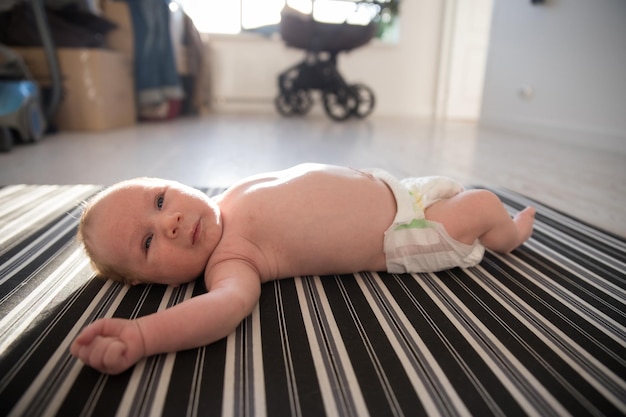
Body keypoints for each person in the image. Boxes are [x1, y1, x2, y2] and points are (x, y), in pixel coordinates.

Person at [70, 163, 535, 374]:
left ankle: (493, 222)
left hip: (399, 189)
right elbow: (224, 308)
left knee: (464, 194)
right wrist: (143, 335)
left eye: (159, 199)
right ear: (154, 280)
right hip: (406, 228)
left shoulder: (226, 201)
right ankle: (508, 237)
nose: (168, 221)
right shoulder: (231, 259)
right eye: (148, 241)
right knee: (482, 206)